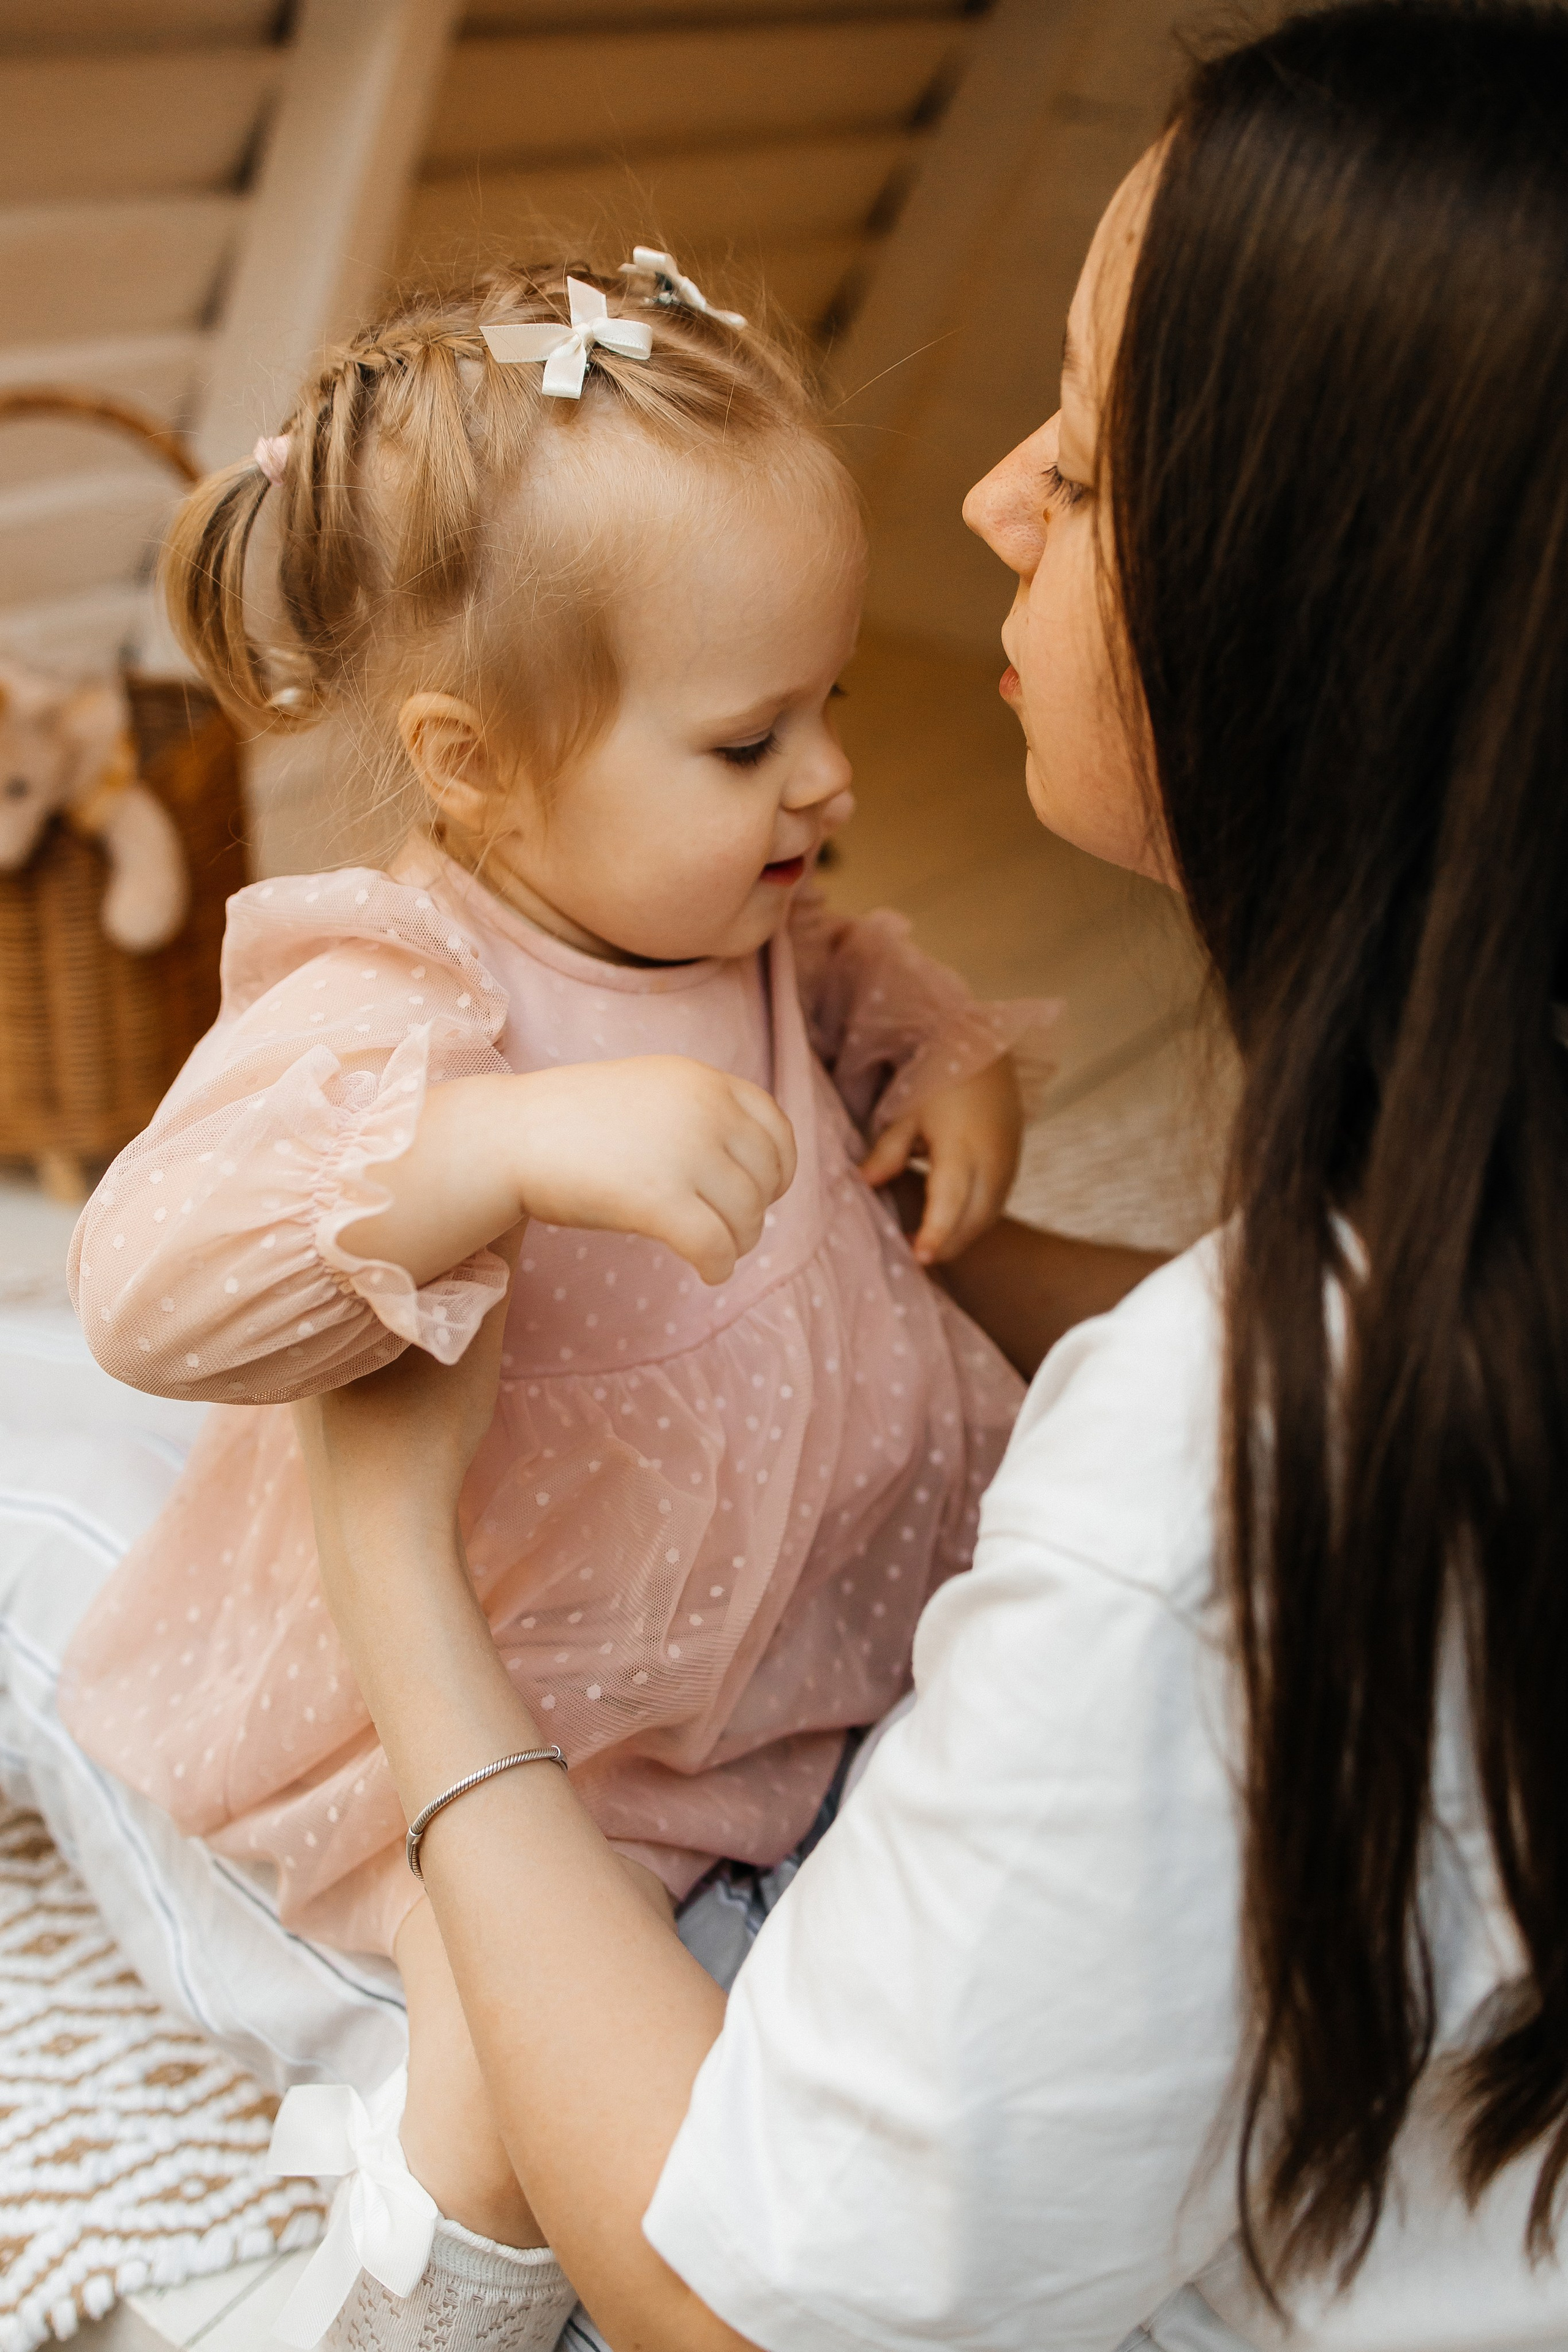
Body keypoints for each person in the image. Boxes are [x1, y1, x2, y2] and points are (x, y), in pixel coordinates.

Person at [276, 4, 1568, 2348]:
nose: (989, 497)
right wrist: (948, 1268)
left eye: (1082, 460)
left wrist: (391, 1566)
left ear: (1319, 604)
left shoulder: (1200, 1498)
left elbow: (752, 2306)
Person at [59, 248, 1115, 2348]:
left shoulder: (727, 912)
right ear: (475, 763)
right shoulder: (408, 989)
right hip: (544, 1737)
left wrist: (943, 1056)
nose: (822, 777)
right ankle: (381, 2288)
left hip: (797, 1665)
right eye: (749, 740)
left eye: (820, 707)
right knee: (512, 2085)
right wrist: (501, 1155)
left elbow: (845, 977)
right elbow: (144, 1275)